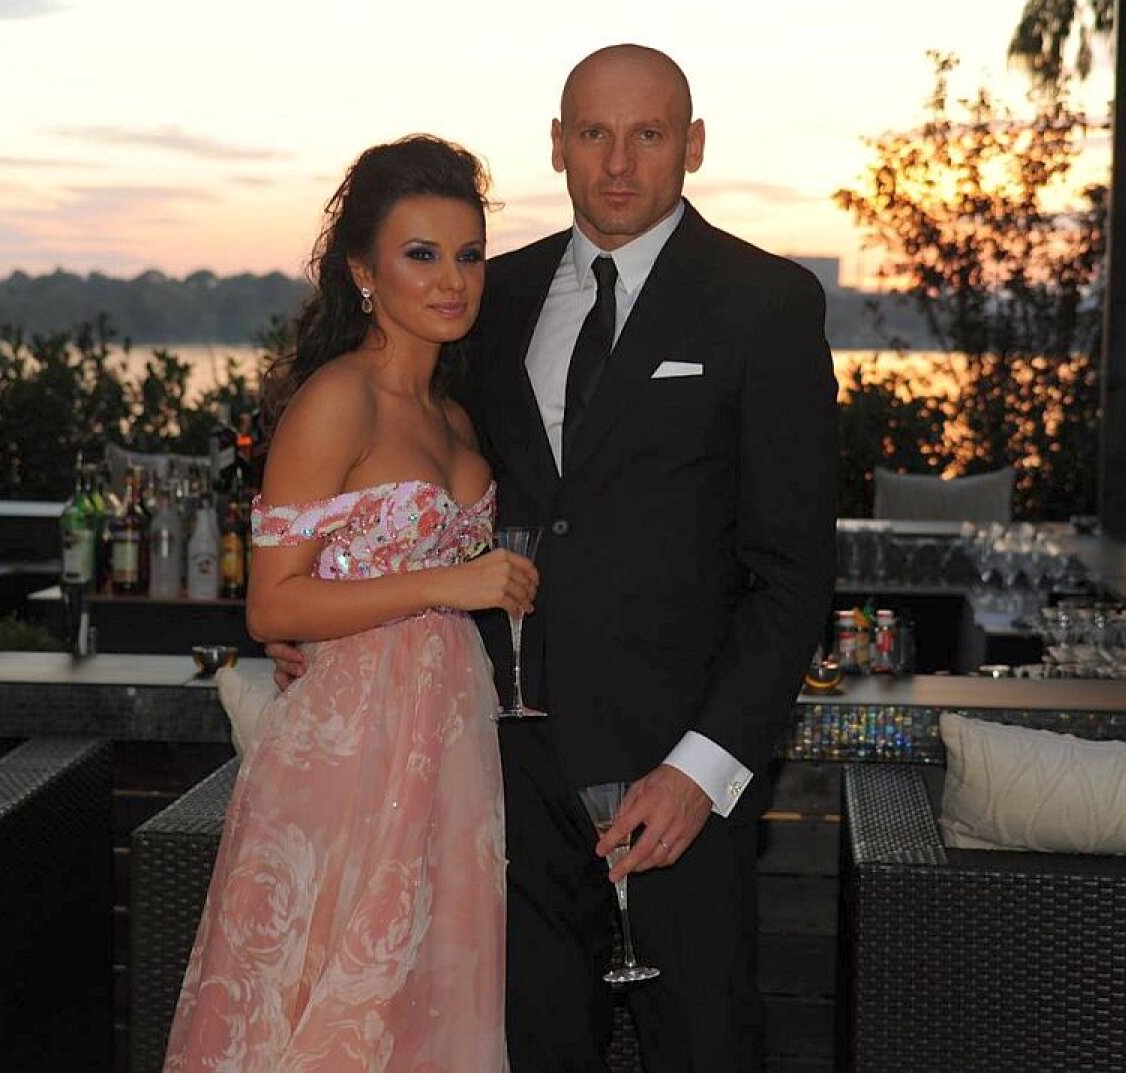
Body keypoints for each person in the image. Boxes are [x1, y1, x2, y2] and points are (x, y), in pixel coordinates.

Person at [271, 44, 837, 1072]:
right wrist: (327, 616)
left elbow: (793, 576)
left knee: (706, 1047)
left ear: (692, 146)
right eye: (593, 134)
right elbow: (409, 477)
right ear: (557, 145)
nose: (617, 162)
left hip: (675, 785)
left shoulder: (768, 303)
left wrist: (701, 771)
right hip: (496, 778)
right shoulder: (491, 296)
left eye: (647, 134)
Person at [163, 135, 536, 1073]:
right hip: (350, 752)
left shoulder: (454, 413)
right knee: (331, 1005)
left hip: (451, 743)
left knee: (425, 1008)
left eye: (469, 254)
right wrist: (450, 585)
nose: (452, 279)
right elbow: (271, 606)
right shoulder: (337, 399)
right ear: (364, 272)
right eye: (422, 254)